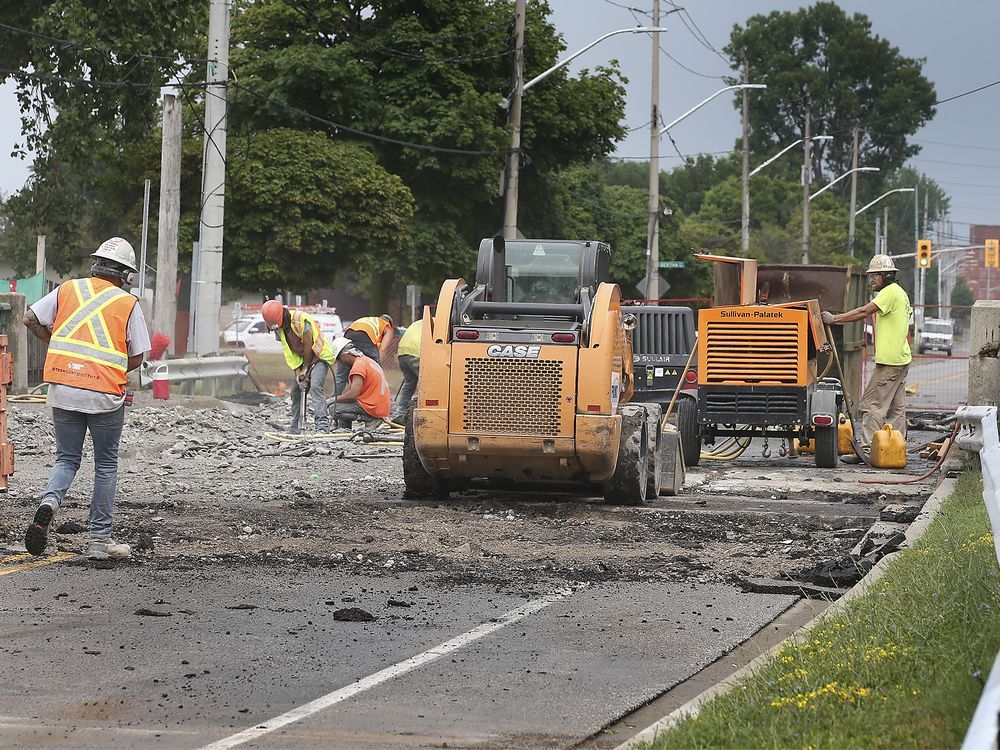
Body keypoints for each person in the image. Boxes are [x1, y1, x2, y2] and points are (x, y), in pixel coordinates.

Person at [22, 237, 150, 560]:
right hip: (104, 394)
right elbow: (137, 357)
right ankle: (98, 543)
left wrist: (57, 345)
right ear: (125, 275)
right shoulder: (127, 303)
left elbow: (29, 318)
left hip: (63, 388)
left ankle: (49, 503)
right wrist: (109, 364)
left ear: (96, 265)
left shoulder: (68, 289)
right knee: (105, 464)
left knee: (66, 459)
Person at [822, 254, 912, 464]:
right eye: (870, 276)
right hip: (900, 358)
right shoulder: (899, 293)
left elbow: (864, 311)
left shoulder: (889, 293)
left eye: (875, 276)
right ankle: (895, 450)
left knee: (871, 405)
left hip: (890, 362)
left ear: (886, 276)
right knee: (896, 409)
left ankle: (866, 451)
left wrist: (835, 319)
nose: (871, 280)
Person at [262, 300, 335, 434]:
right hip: (302, 359)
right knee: (296, 390)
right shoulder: (279, 328)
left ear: (283, 315)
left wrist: (306, 369)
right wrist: (297, 371)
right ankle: (295, 426)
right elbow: (288, 351)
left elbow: (308, 346)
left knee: (315, 387)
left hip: (319, 355)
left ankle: (322, 426)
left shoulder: (301, 320)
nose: (278, 329)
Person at [328, 337, 391, 429]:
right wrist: (340, 398)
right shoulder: (365, 361)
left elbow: (352, 394)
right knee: (342, 403)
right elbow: (350, 391)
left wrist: (333, 400)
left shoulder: (358, 366)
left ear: (345, 354)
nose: (340, 362)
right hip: (379, 404)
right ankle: (345, 428)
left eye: (339, 359)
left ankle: (370, 419)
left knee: (333, 408)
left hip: (373, 406)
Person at [336, 313, 395, 394]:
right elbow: (383, 349)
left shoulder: (369, 319)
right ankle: (379, 399)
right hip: (366, 338)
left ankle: (333, 402)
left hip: (348, 336)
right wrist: (378, 366)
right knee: (376, 375)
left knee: (341, 376)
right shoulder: (387, 327)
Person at [390, 320, 421, 424]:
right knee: (428, 383)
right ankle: (424, 413)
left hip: (402, 352)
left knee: (410, 382)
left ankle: (401, 412)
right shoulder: (437, 322)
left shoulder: (419, 323)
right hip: (416, 352)